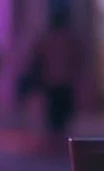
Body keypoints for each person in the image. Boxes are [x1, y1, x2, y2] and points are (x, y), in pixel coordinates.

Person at [33, 9, 82, 142]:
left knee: (55, 109)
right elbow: (77, 59)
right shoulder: (69, 38)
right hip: (63, 80)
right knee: (61, 109)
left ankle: (55, 135)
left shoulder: (49, 38)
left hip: (53, 80)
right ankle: (58, 135)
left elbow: (38, 57)